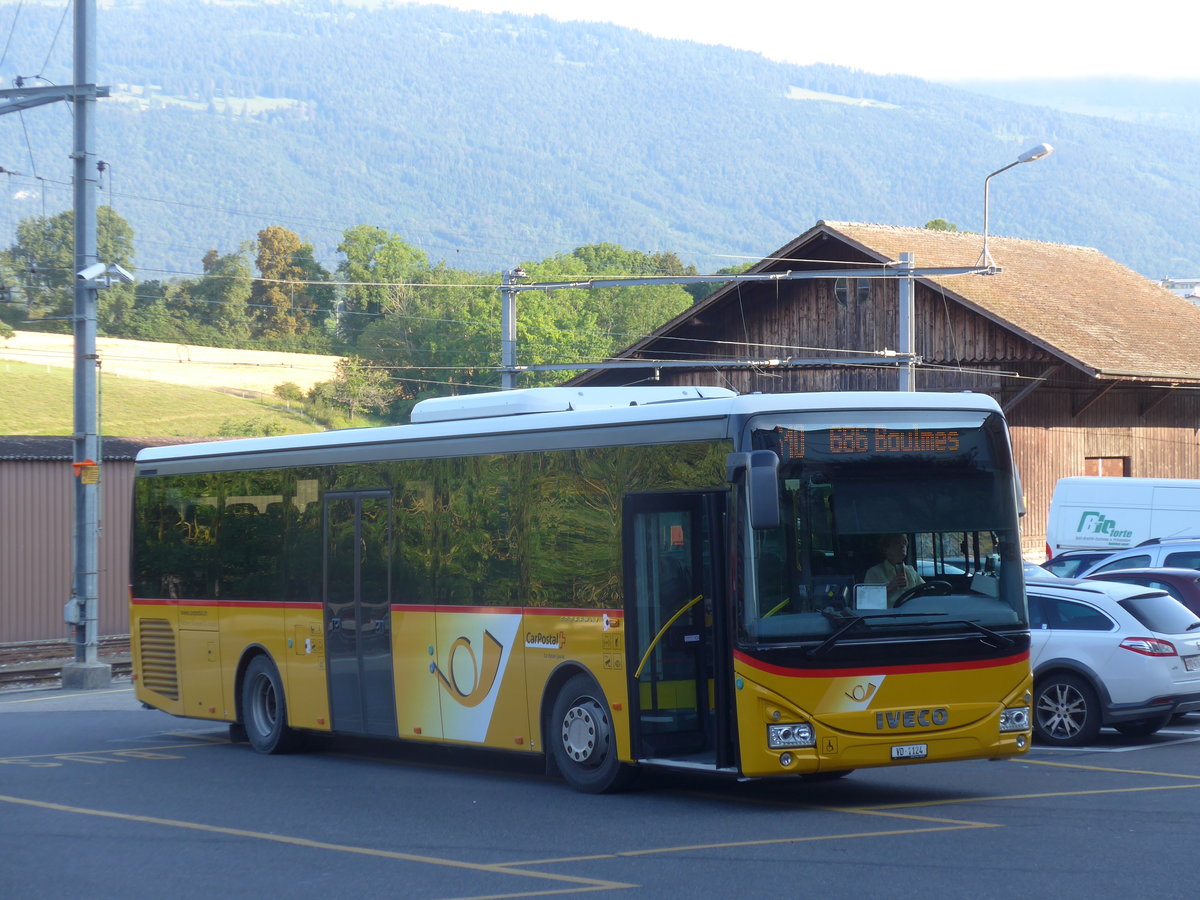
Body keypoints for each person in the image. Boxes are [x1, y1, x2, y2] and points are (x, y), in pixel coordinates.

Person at [864, 533, 924, 606]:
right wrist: (890, 588)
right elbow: (866, 602)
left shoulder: (911, 570)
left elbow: (926, 589)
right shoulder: (874, 572)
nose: (902, 546)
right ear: (886, 549)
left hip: (912, 613)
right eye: (897, 543)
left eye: (904, 543)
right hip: (887, 615)